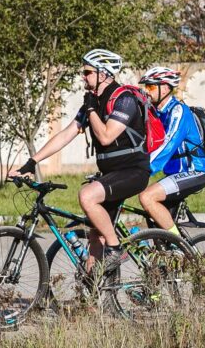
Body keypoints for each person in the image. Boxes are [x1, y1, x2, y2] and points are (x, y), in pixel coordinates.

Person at [9, 49, 150, 272]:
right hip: (111, 174)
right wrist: (31, 162)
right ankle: (93, 298)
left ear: (103, 74)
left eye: (87, 72)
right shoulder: (92, 103)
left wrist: (92, 109)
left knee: (86, 196)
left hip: (133, 172)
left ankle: (115, 249)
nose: (82, 77)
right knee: (95, 237)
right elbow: (67, 134)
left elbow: (106, 136)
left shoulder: (124, 100)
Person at [137, 67, 205, 233]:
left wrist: (143, 169)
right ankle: (168, 250)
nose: (146, 91)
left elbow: (167, 145)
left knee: (147, 197)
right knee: (157, 228)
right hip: (174, 174)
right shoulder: (156, 112)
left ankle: (178, 244)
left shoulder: (178, 111)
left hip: (194, 171)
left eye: (151, 87)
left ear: (166, 87)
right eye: (146, 87)